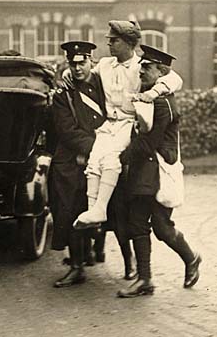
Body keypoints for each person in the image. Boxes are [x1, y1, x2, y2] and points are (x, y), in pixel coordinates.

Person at [72, 20, 182, 227]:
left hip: (128, 123)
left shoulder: (141, 66)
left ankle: (101, 208)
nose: (109, 45)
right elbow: (85, 73)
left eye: (113, 41)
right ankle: (93, 212)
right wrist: (68, 73)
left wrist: (154, 92)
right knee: (94, 161)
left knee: (111, 159)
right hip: (108, 125)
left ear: (127, 43)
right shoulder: (104, 64)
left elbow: (174, 78)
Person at [49, 41, 135, 287]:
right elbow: (67, 131)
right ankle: (77, 267)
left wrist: (103, 148)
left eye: (82, 63)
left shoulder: (101, 83)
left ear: (91, 62)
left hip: (106, 153)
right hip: (75, 158)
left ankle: (129, 263)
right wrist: (93, 148)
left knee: (118, 209)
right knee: (73, 209)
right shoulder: (63, 94)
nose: (77, 69)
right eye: (72, 64)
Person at [117, 45, 201, 298]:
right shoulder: (151, 96)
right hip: (146, 172)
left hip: (158, 171)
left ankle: (192, 257)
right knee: (138, 224)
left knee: (162, 229)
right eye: (141, 66)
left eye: (147, 67)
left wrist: (121, 155)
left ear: (161, 72)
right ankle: (145, 280)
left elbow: (147, 143)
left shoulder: (162, 103)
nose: (141, 71)